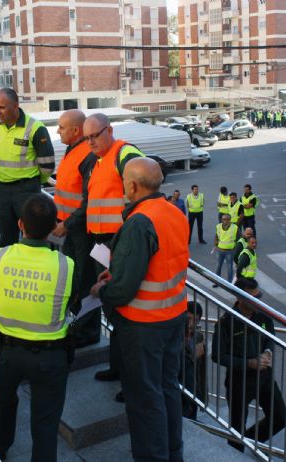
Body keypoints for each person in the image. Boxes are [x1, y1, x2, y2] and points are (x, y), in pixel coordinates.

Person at [90, 157, 189, 462]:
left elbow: (123, 290)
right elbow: (159, 265)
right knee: (168, 388)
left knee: (145, 399)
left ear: (132, 185)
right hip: (173, 316)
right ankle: (173, 454)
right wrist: (118, 271)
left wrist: (103, 288)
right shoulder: (174, 212)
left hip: (143, 325)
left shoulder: (139, 222)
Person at [0, 194, 75, 462]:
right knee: (45, 424)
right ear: (52, 228)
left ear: (21, 224)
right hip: (49, 358)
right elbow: (72, 302)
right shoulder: (65, 265)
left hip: (6, 352)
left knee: (1, 403)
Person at [84, 113, 145, 384]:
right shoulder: (99, 161)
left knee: (123, 309)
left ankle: (128, 376)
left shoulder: (124, 152)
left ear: (109, 130)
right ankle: (117, 368)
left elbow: (145, 189)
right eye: (86, 138)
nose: (90, 142)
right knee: (112, 309)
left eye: (94, 136)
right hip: (101, 244)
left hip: (116, 242)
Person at [211, 279, 286, 452]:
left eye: (259, 296)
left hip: (264, 378)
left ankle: (250, 440)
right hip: (240, 382)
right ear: (240, 298)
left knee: (280, 418)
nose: (258, 301)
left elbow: (270, 337)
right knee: (236, 430)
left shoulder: (263, 316)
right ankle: (237, 451)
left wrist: (268, 352)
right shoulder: (227, 322)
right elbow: (217, 356)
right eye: (253, 298)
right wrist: (249, 363)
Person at [51, 109, 100, 347]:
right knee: (74, 278)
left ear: (75, 130)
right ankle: (79, 326)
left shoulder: (87, 156)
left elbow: (88, 200)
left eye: (61, 127)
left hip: (81, 230)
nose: (57, 131)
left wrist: (67, 224)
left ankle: (88, 332)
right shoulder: (74, 151)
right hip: (70, 227)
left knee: (83, 278)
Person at [0, 88, 55, 247]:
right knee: (6, 238)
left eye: (2, 107)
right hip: (3, 190)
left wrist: (32, 181)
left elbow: (47, 165)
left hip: (26, 189)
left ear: (15, 106)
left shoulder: (35, 128)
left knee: (32, 236)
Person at [180, 301, 206, 419]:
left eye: (195, 320)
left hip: (193, 391)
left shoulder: (199, 337)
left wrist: (203, 396)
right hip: (179, 390)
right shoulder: (175, 336)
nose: (191, 324)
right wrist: (193, 356)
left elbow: (202, 369)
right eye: (189, 319)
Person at [213, 213, 239, 285]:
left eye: (227, 219)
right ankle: (217, 282)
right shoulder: (218, 227)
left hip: (229, 252)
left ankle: (229, 284)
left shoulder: (234, 228)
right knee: (218, 267)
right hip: (220, 250)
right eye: (224, 219)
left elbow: (239, 239)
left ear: (230, 220)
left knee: (229, 268)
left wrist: (235, 248)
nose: (225, 221)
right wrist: (215, 243)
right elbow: (216, 236)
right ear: (221, 220)